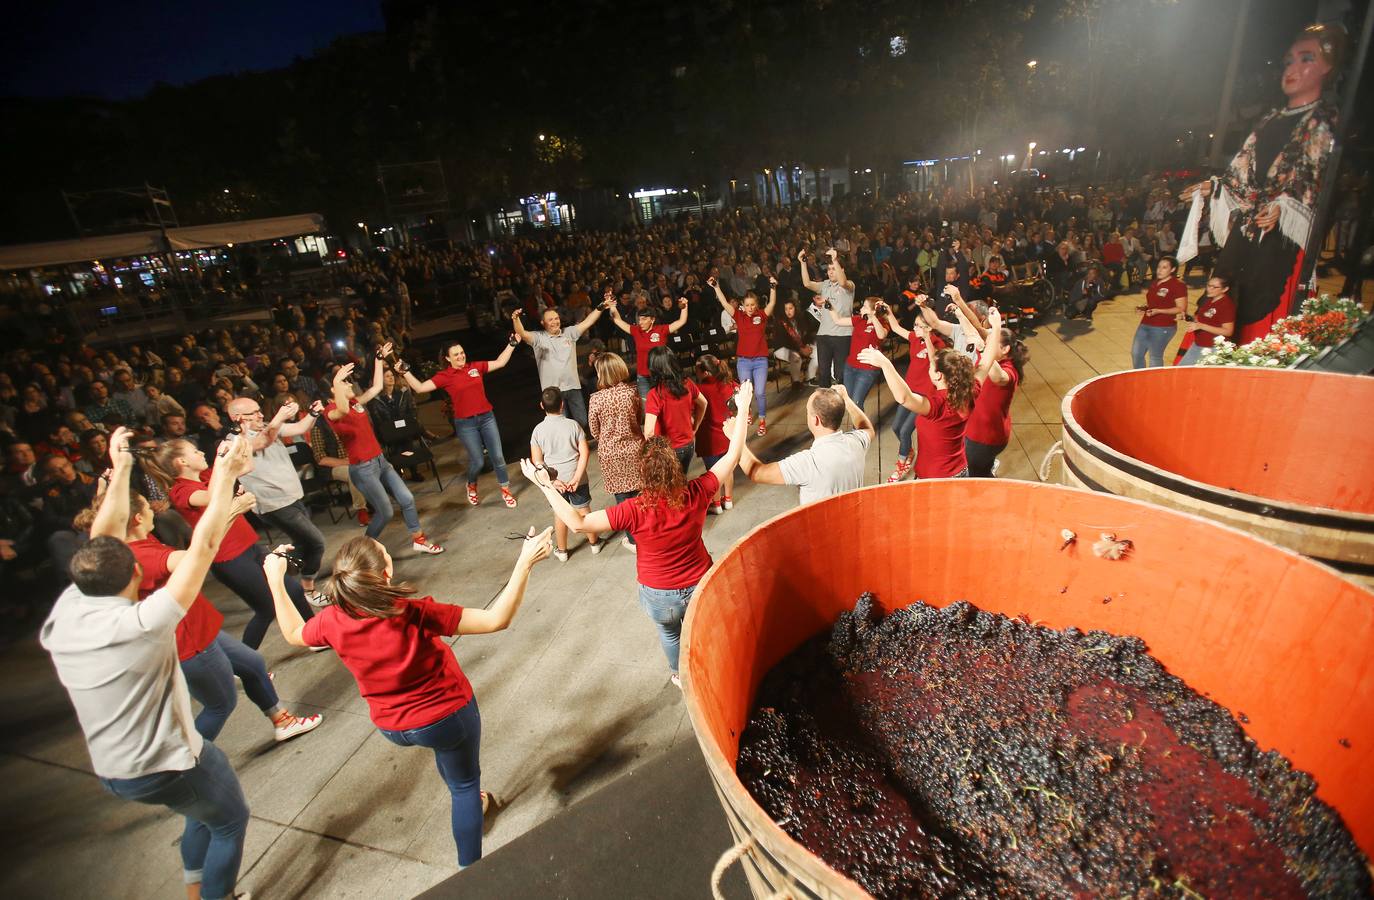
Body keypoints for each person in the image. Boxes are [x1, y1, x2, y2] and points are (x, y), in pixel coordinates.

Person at [40, 428, 254, 900]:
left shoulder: (70, 610)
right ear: (136, 573)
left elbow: (104, 533)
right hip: (168, 763)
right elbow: (205, 543)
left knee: (203, 814)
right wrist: (225, 473)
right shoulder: (144, 623)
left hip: (114, 769)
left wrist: (121, 469)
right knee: (230, 821)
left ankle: (195, 887)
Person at [263, 525, 553, 869]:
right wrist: (524, 563)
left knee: (455, 770)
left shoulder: (332, 620)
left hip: (393, 727)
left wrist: (274, 579)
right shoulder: (413, 612)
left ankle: (471, 799)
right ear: (386, 574)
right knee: (463, 786)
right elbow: (495, 619)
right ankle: (469, 873)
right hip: (446, 717)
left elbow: (295, 633)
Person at [522, 381, 754, 687]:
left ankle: (680, 674)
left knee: (670, 633)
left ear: (642, 471)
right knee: (705, 628)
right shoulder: (697, 491)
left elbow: (578, 524)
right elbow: (734, 456)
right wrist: (744, 406)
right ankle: (715, 666)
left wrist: (545, 486)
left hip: (659, 594)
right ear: (674, 466)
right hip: (699, 582)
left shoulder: (633, 509)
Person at [1181, 24, 1344, 343]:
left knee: (1264, 303)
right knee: (1224, 291)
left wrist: (1284, 208)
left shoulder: (1324, 119)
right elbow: (1241, 170)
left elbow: (1312, 177)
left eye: (1306, 59)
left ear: (1327, 67)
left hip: (1280, 238)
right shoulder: (1269, 119)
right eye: (1288, 61)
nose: (1292, 68)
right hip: (1247, 229)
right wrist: (1214, 188)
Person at [123, 488, 323, 743]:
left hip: (200, 629)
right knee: (220, 705)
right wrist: (231, 512)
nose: (152, 508)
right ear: (137, 518)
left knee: (253, 665)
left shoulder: (141, 542)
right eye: (146, 506)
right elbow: (199, 556)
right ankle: (188, 762)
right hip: (189, 644)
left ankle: (282, 721)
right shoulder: (141, 555)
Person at [149, 437, 319, 651]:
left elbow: (246, 466)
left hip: (250, 546)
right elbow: (212, 495)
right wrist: (222, 460)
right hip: (229, 559)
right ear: (182, 462)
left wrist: (241, 442)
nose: (201, 453)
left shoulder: (206, 475)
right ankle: (246, 662)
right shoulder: (181, 491)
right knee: (266, 609)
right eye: (195, 451)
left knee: (293, 590)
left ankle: (314, 637)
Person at [326, 348, 445, 552]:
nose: (350, 384)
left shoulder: (356, 403)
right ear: (334, 390)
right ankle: (364, 549)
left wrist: (378, 360)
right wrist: (338, 380)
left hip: (380, 461)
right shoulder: (332, 412)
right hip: (363, 469)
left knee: (407, 498)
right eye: (345, 383)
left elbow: (377, 386)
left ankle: (418, 539)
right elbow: (342, 409)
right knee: (385, 512)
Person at [226, 396, 329, 598]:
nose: (260, 414)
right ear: (238, 418)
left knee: (301, 543)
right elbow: (264, 440)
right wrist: (279, 417)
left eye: (259, 410)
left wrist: (314, 413)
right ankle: (308, 587)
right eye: (254, 412)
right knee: (317, 542)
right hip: (273, 504)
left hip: (291, 497)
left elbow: (299, 428)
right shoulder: (234, 442)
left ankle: (276, 575)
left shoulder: (266, 426)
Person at [401, 337, 519, 509]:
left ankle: (506, 490)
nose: (460, 356)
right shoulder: (445, 376)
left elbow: (500, 362)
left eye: (462, 353)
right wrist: (405, 372)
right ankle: (471, 484)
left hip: (487, 418)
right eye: (456, 355)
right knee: (478, 462)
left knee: (498, 457)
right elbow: (419, 388)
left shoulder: (475, 367)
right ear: (448, 358)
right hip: (466, 424)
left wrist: (512, 344)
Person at [861, 323, 981, 479]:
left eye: (931, 366)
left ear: (938, 375)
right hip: (959, 471)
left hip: (935, 478)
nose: (929, 366)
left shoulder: (937, 405)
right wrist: (990, 337)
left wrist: (885, 364)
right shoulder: (970, 390)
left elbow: (904, 397)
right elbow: (986, 363)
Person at [737, 383, 873, 505]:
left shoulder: (809, 462)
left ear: (816, 420)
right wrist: (847, 400)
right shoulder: (856, 443)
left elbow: (758, 473)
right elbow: (867, 428)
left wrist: (736, 435)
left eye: (808, 411)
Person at [512, 301, 607, 434]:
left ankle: (577, 441)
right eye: (550, 320)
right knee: (562, 424)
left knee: (583, 420)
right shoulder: (538, 338)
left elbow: (587, 322)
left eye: (556, 318)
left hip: (573, 386)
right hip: (553, 391)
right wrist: (515, 319)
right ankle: (573, 448)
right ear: (543, 323)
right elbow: (521, 333)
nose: (555, 322)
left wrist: (600, 307)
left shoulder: (569, 333)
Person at [529, 387, 599, 562]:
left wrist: (553, 481)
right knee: (584, 511)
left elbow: (537, 462)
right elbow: (584, 452)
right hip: (577, 478)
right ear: (562, 405)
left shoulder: (538, 431)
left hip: (555, 483)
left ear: (541, 406)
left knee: (560, 514)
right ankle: (594, 543)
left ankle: (562, 551)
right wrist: (576, 477)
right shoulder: (573, 425)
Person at [586, 352, 644, 551]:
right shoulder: (632, 392)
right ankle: (648, 534)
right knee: (642, 495)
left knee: (623, 501)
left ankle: (634, 540)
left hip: (610, 454)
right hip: (635, 450)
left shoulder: (596, 399)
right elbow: (640, 419)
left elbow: (594, 430)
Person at [962, 309, 1026, 476]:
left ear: (1005, 349)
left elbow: (997, 377)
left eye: (993, 343)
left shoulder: (1010, 370)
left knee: (976, 476)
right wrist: (958, 309)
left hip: (985, 437)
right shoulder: (991, 357)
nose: (989, 346)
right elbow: (973, 330)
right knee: (981, 471)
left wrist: (985, 345)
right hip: (978, 431)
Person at [710, 275, 776, 435]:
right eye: (747, 305)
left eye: (753, 305)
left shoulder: (761, 316)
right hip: (744, 362)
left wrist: (773, 288)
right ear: (743, 306)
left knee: (759, 392)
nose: (750, 308)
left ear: (756, 305)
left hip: (760, 361)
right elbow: (725, 303)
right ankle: (748, 412)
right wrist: (716, 287)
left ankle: (762, 421)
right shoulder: (739, 316)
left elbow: (772, 303)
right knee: (746, 392)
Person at [607, 289, 689, 399]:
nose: (640, 322)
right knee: (646, 407)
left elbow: (681, 321)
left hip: (661, 375)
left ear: (652, 319)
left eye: (644, 319)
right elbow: (617, 320)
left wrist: (685, 306)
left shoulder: (661, 330)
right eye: (639, 319)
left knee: (664, 402)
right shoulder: (636, 331)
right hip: (643, 377)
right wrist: (612, 306)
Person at [644, 346, 707, 473]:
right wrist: (695, 427)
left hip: (669, 450)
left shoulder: (655, 394)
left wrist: (652, 455)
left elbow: (649, 432)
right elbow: (704, 403)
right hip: (688, 445)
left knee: (670, 490)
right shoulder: (687, 383)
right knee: (682, 484)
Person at [799, 248, 855, 388]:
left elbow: (843, 283)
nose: (830, 271)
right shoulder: (825, 285)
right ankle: (825, 405)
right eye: (829, 269)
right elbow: (807, 284)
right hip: (824, 335)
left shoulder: (849, 285)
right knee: (823, 374)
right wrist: (802, 263)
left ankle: (842, 403)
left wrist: (835, 259)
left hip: (842, 335)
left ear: (841, 269)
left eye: (834, 268)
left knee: (840, 373)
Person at [692, 354, 738, 515]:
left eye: (697, 370)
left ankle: (716, 504)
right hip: (727, 434)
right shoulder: (728, 384)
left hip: (709, 438)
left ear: (705, 372)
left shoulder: (700, 390)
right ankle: (729, 499)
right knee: (728, 469)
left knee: (713, 472)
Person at [827, 296, 890, 406]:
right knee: (850, 402)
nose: (861, 308)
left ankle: (859, 424)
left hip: (867, 369)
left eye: (864, 307)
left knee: (857, 402)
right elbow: (838, 320)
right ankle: (857, 422)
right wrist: (830, 307)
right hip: (851, 366)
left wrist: (873, 317)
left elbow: (881, 335)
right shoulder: (860, 319)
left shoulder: (882, 322)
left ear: (873, 310)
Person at [1131, 256, 1187, 368]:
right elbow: (1154, 302)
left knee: (1155, 357)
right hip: (1146, 323)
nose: (1159, 270)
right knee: (1136, 353)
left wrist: (1159, 311)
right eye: (1159, 267)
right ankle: (1139, 378)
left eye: (1164, 267)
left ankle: (1154, 383)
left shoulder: (1178, 285)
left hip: (1163, 327)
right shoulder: (1155, 282)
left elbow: (1181, 308)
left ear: (1172, 269)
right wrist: (1144, 307)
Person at [1178, 275, 1238, 365]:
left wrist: (1201, 326)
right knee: (1181, 371)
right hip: (1199, 344)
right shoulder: (1210, 300)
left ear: (1225, 289)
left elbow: (1228, 331)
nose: (1210, 289)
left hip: (1212, 348)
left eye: (1214, 287)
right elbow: (1205, 319)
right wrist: (1188, 317)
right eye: (1209, 286)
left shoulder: (1226, 306)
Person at [771, 297, 817, 386]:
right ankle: (796, 382)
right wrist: (800, 350)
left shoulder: (801, 319)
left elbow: (807, 333)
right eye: (786, 309)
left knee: (819, 353)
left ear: (795, 308)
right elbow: (785, 341)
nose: (788, 311)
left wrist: (807, 345)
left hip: (801, 346)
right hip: (782, 348)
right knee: (796, 357)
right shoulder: (780, 322)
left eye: (791, 308)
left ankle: (810, 378)